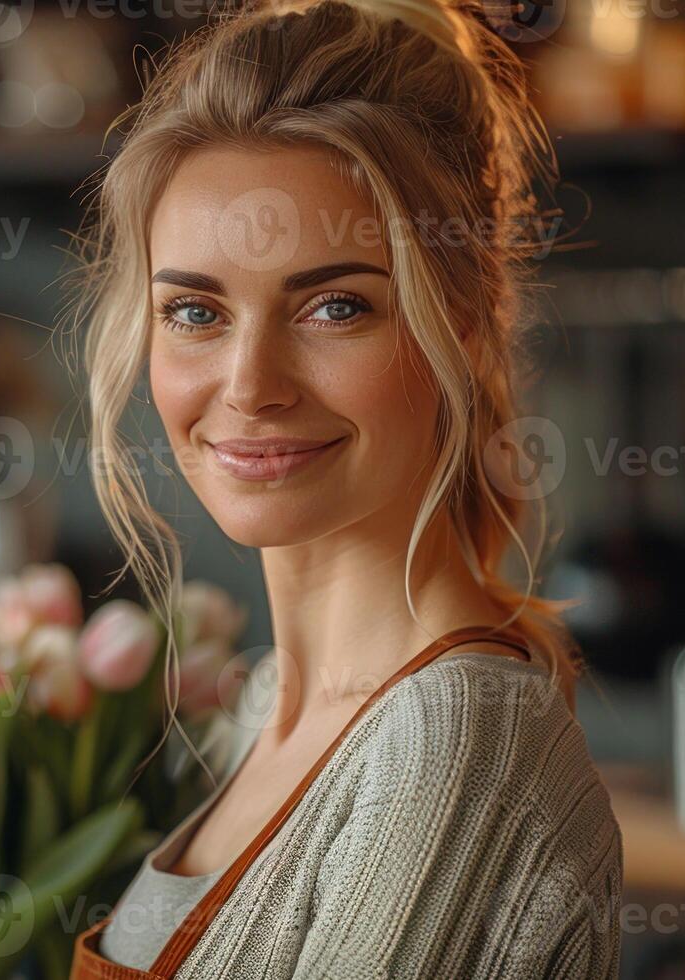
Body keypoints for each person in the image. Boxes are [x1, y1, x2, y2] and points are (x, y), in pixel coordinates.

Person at [65, 0, 624, 975]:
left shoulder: (447, 740)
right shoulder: (268, 703)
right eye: (196, 310)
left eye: (334, 305)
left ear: (465, 319)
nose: (249, 385)